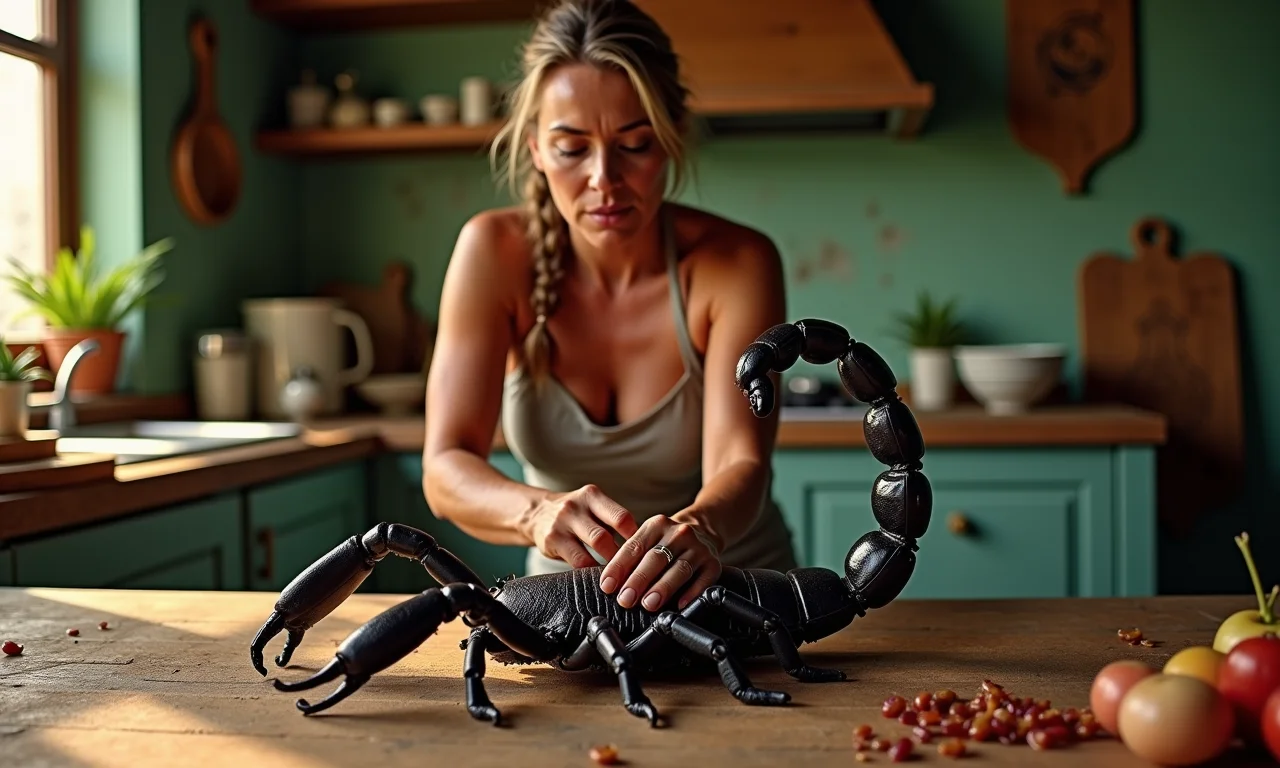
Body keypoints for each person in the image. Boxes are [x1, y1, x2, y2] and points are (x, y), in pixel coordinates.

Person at [421, 0, 798, 615]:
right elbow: (444, 468)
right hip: (568, 608)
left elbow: (741, 460)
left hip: (737, 598)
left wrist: (699, 529)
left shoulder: (738, 263)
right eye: (572, 149)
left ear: (671, 139)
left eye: (635, 144)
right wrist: (534, 512)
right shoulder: (492, 253)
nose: (604, 179)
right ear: (537, 150)